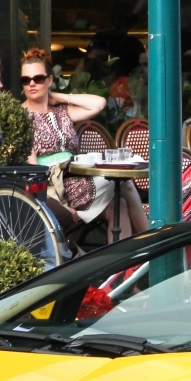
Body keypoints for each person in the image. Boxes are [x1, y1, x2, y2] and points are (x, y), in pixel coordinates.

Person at [20, 49, 147, 242]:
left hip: (78, 177)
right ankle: (153, 242)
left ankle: (123, 270)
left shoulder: (60, 112)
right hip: (57, 185)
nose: (31, 84)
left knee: (118, 205)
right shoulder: (21, 116)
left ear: (49, 80)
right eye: (26, 80)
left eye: (38, 78)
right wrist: (57, 202)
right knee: (125, 183)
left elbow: (99, 104)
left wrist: (59, 97)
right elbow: (33, 168)